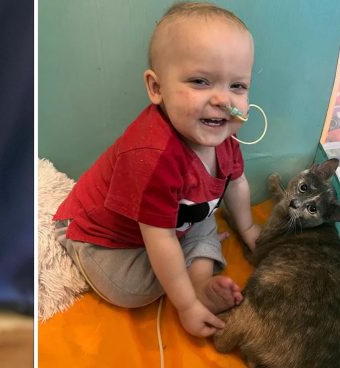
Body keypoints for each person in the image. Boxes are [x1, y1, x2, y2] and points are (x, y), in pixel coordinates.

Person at [53, 2, 261, 338]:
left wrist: (248, 227)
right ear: (156, 88)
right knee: (129, 289)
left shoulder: (224, 134)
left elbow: (236, 183)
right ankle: (191, 290)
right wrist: (186, 306)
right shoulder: (152, 157)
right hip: (103, 237)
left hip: (171, 223)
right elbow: (160, 238)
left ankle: (201, 284)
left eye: (237, 86)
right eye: (200, 81)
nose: (224, 101)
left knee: (205, 222)